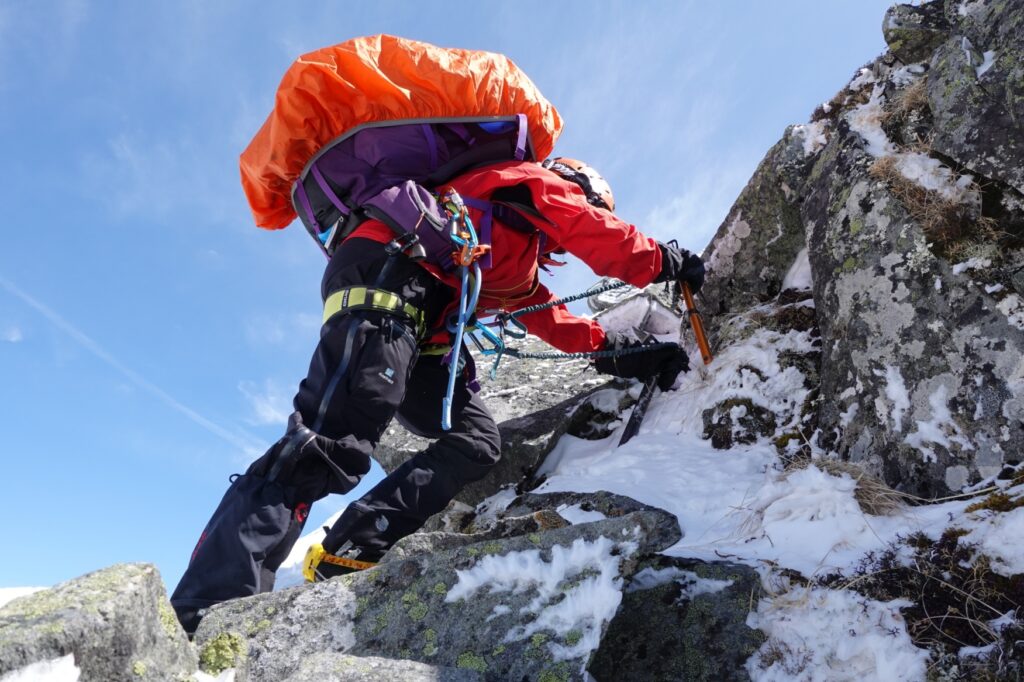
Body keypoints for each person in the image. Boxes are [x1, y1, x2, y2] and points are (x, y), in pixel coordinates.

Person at [170, 155, 705, 634]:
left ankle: (351, 547)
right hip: (387, 286)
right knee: (333, 442)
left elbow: (548, 314)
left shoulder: (513, 251)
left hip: (423, 330)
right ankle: (207, 605)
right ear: (578, 186)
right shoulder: (527, 182)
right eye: (592, 204)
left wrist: (611, 350)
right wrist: (660, 260)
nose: (564, 240)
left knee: (476, 441)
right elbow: (591, 228)